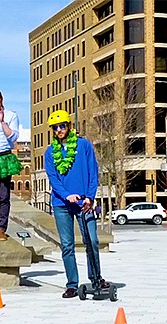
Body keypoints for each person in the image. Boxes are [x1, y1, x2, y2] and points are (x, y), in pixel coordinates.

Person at [44, 109, 108, 299]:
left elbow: (92, 172)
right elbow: (53, 178)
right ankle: (72, 284)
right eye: (54, 128)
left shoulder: (84, 146)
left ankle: (96, 277)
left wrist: (89, 196)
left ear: (69, 126)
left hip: (84, 202)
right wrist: (66, 195)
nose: (58, 130)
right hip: (61, 203)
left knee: (92, 240)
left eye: (61, 126)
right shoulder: (50, 152)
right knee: (67, 245)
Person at [0, 89, 22, 241]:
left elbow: (13, 136)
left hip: (4, 157)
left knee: (4, 196)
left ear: (1, 100)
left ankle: (2, 228)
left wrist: (2, 122)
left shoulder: (11, 116)